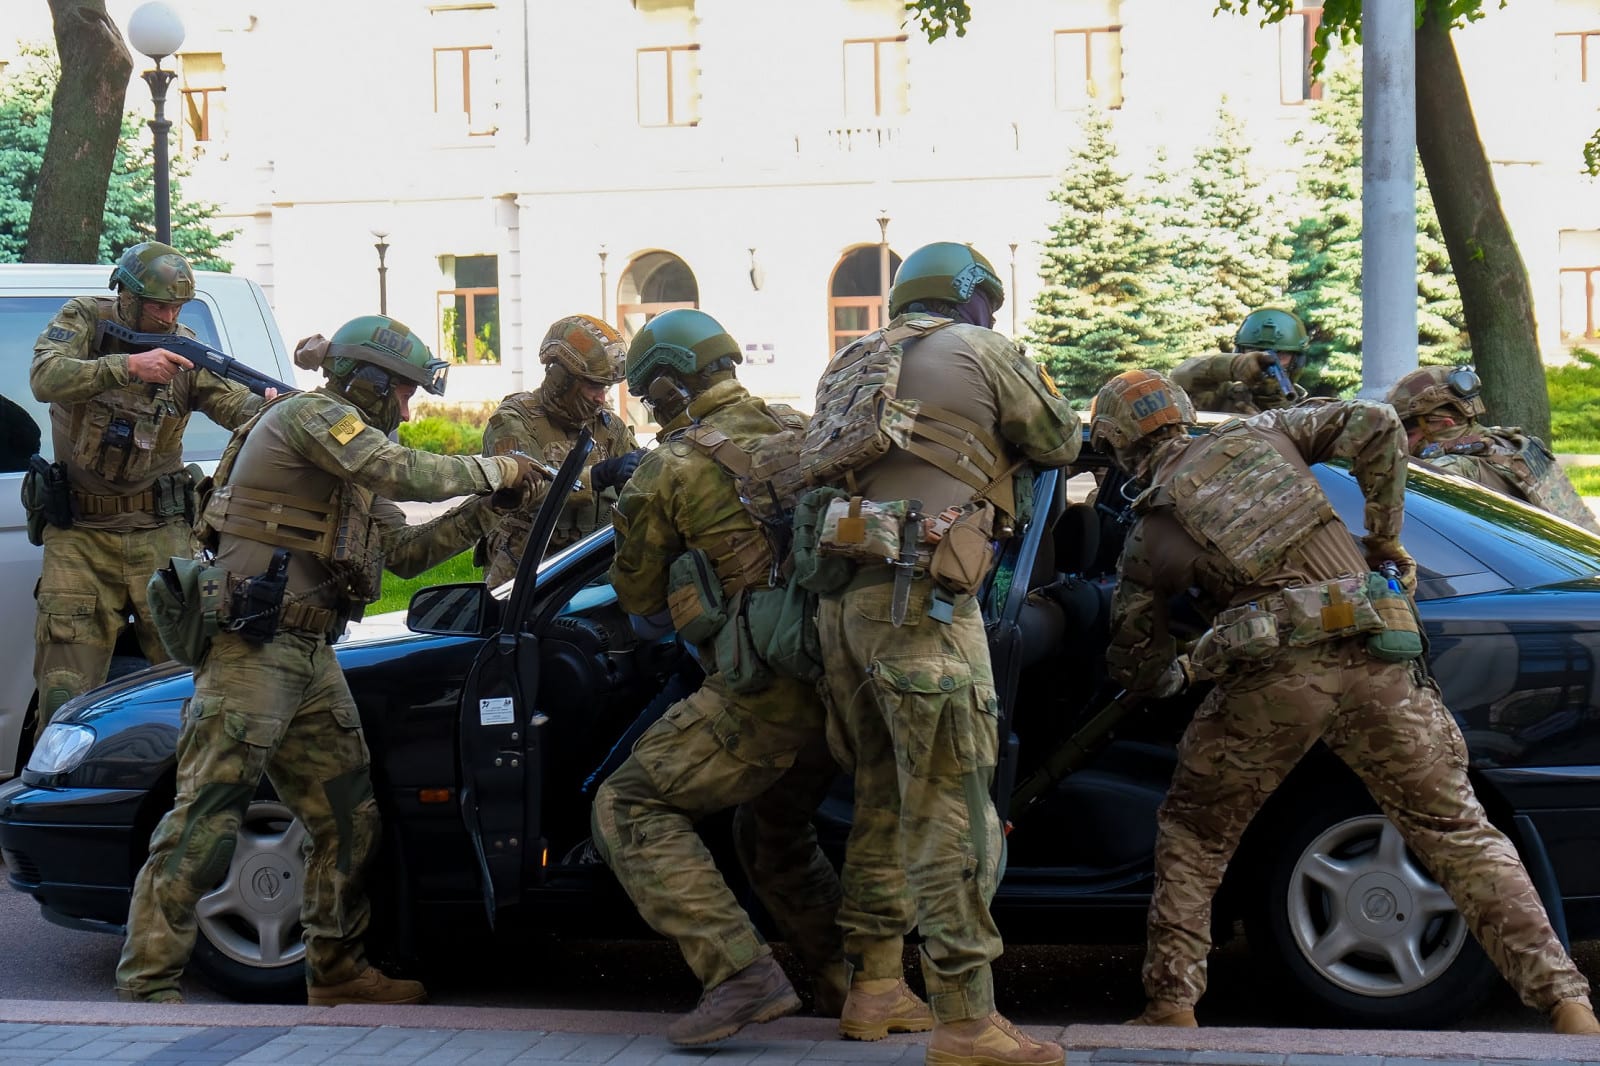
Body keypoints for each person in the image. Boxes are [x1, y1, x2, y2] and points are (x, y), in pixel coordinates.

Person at [1090, 368, 1600, 1035]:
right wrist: (1385, 536)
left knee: (1195, 835)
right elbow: (1381, 424)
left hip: (1271, 686)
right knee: (1457, 835)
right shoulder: (1269, 434)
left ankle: (1171, 1006)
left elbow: (1137, 663)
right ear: (1184, 411)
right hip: (1378, 658)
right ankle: (1567, 1005)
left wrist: (1182, 673)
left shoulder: (1148, 534)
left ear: (1120, 446)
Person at [114, 314, 545, 1005]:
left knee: (347, 818)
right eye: (402, 391)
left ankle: (336, 971)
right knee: (207, 817)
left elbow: (402, 553)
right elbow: (399, 471)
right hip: (251, 649)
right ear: (368, 379)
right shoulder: (317, 418)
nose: (407, 408)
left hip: (309, 653)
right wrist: (498, 466)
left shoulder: (351, 455)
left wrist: (490, 507)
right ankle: (147, 983)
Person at [591, 308, 930, 1047]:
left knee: (628, 806)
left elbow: (640, 598)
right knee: (771, 826)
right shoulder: (805, 428)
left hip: (764, 693)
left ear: (671, 387)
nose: (652, 411)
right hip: (848, 677)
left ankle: (738, 973)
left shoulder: (671, 467)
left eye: (650, 398)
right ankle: (852, 982)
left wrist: (625, 504)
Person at [807, 242, 1079, 1066]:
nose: (992, 315)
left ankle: (877, 987)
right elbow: (1060, 440)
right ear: (969, 297)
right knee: (952, 809)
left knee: (883, 800)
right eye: (987, 301)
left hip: (848, 606)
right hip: (925, 602)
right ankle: (966, 1021)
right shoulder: (980, 349)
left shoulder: (849, 360)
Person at [28, 242, 267, 740]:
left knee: (193, 684)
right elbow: (44, 376)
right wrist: (127, 367)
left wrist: (270, 406)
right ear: (126, 296)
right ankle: (61, 801)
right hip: (80, 538)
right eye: (158, 306)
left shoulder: (185, 351)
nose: (168, 316)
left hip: (161, 536)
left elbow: (233, 405)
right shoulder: (85, 323)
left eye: (177, 307)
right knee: (63, 693)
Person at [479, 315, 645, 584]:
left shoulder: (607, 425)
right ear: (560, 379)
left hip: (589, 566)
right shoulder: (512, 421)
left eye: (605, 388)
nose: (601, 398)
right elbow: (525, 490)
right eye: (593, 386)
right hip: (523, 573)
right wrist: (599, 475)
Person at [1387, 363, 1600, 535]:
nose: (1402, 444)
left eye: (1408, 434)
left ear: (1445, 423)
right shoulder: (1514, 442)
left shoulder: (1451, 469)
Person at [1170, 307, 1309, 415]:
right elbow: (1179, 377)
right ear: (1240, 353)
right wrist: (1231, 365)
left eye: (1281, 355)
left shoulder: (1308, 410)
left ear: (1296, 361)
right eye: (1255, 351)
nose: (1267, 362)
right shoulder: (1221, 395)